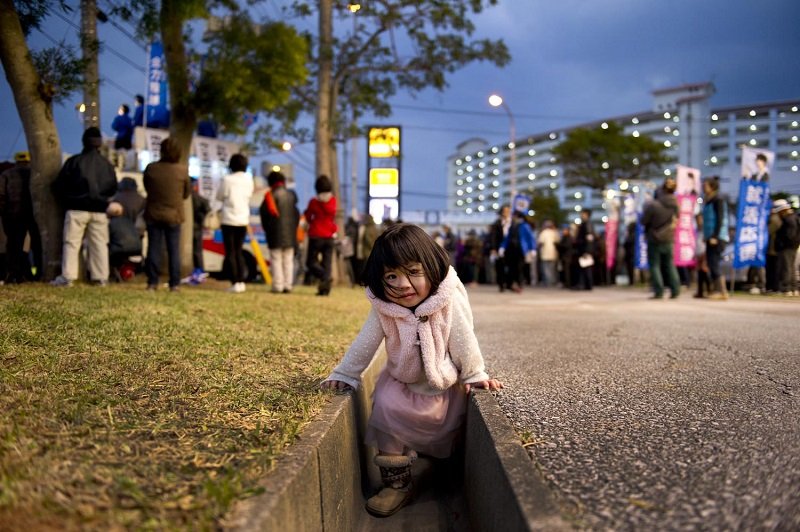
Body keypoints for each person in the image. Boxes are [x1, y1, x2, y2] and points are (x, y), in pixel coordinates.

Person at [321, 223, 503, 517]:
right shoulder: (386, 308)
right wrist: (345, 374)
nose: (403, 284)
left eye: (413, 272)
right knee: (387, 415)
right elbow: (365, 342)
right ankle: (396, 484)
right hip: (401, 385)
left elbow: (463, 338)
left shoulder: (447, 300)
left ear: (432, 268)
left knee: (450, 431)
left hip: (443, 386)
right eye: (391, 276)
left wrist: (475, 374)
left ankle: (445, 466)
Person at [51, 127, 118, 286]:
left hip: (76, 208)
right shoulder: (106, 165)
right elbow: (113, 187)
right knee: (100, 245)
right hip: (99, 210)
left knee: (72, 243)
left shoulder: (74, 162)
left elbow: (58, 186)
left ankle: (68, 277)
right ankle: (101, 277)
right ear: (100, 143)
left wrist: (68, 199)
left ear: (83, 141)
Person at [143, 137, 191, 291]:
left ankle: (152, 282)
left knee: (153, 248)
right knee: (173, 250)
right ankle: (174, 283)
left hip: (154, 213)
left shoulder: (151, 168)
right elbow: (186, 193)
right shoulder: (182, 170)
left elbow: (147, 188)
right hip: (174, 214)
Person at [0, 152, 41, 283]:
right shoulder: (36, 174)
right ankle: (38, 274)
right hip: (34, 215)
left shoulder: (6, 174)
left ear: (16, 161)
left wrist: (3, 214)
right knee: (37, 246)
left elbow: (1, 196)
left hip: (13, 215)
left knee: (14, 247)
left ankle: (14, 275)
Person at [217, 153, 254, 293]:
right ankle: (241, 281)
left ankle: (235, 281)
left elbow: (220, 196)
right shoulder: (249, 180)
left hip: (228, 219)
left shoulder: (227, 179)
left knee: (230, 252)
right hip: (243, 219)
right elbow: (249, 196)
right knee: (238, 251)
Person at [260, 170, 300, 293]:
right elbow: (297, 214)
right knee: (288, 260)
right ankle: (288, 285)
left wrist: (267, 230)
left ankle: (278, 285)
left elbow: (264, 215)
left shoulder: (269, 196)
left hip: (275, 233)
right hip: (290, 234)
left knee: (276, 259)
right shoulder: (292, 195)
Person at [641, 178, 681, 299]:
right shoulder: (676, 205)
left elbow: (644, 221)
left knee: (655, 265)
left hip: (654, 238)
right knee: (669, 264)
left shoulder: (653, 204)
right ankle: (675, 290)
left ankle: (659, 291)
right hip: (669, 238)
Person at [304, 175, 337, 296]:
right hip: (329, 236)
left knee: (311, 263)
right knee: (326, 264)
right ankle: (324, 290)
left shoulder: (313, 202)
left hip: (316, 235)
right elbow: (333, 215)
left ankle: (324, 277)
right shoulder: (333, 201)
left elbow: (308, 216)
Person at [701, 176, 729, 300]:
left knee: (714, 263)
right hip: (709, 236)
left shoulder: (719, 200)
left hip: (717, 237)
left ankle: (721, 291)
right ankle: (717, 290)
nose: (703, 187)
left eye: (705, 185)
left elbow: (720, 219)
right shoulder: (708, 200)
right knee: (711, 264)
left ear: (712, 187)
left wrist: (715, 236)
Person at [499, 210, 535, 293]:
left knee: (519, 268)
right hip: (511, 250)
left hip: (521, 250)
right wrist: (502, 247)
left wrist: (532, 248)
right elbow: (507, 238)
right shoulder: (512, 226)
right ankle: (511, 284)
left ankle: (519, 284)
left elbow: (530, 238)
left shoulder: (525, 226)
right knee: (511, 268)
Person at [772, 199, 799, 296]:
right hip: (793, 247)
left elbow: (789, 235)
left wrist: (781, 243)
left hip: (787, 247)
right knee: (791, 268)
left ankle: (786, 288)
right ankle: (793, 288)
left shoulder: (789, 219)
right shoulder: (794, 217)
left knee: (786, 268)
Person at [489, 204, 512, 292]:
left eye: (508, 211)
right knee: (500, 267)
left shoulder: (513, 222)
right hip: (499, 248)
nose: (506, 213)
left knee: (511, 267)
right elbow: (493, 237)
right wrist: (493, 248)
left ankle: (510, 284)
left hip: (511, 248)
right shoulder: (497, 223)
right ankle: (501, 285)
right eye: (505, 211)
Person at [191, 177, 211, 276]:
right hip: (198, 227)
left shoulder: (187, 199)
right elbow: (208, 209)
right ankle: (199, 270)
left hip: (189, 227)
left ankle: (196, 270)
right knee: (198, 250)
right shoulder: (201, 199)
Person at [574, 209, 596, 290]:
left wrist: (587, 251)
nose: (581, 215)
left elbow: (589, 238)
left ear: (586, 214)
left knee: (586, 268)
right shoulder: (585, 224)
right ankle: (585, 285)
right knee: (584, 267)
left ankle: (587, 285)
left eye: (582, 214)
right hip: (584, 249)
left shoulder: (587, 224)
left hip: (585, 250)